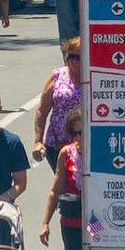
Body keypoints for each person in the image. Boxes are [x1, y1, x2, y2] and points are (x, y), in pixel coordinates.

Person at [37, 108, 87, 250]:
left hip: (95, 221)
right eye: (76, 133)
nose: (81, 137)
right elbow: (55, 190)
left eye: (84, 131)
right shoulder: (66, 153)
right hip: (71, 220)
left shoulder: (103, 152)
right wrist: (45, 223)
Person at [31, 39, 83, 169]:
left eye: (79, 57)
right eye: (71, 56)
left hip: (85, 144)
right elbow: (41, 111)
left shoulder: (96, 77)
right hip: (57, 144)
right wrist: (38, 141)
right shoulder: (58, 76)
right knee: (63, 183)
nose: (74, 61)